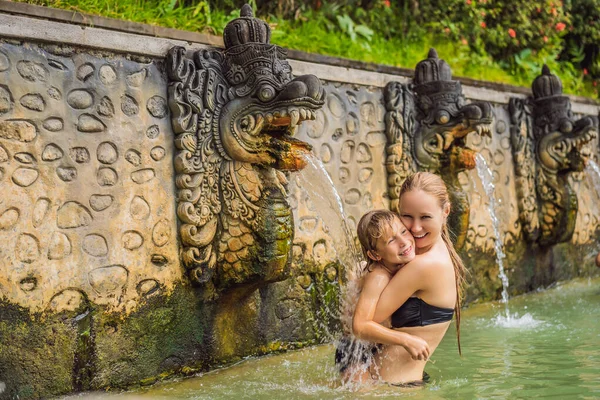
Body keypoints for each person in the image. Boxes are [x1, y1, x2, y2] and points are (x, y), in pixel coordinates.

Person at [353, 172, 467, 385]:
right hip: (396, 382)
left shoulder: (422, 265)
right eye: (407, 217)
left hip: (391, 388)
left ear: (446, 212)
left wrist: (373, 275)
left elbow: (362, 324)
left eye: (425, 217)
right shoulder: (428, 251)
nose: (415, 228)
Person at [336, 209, 430, 384]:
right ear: (375, 255)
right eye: (391, 240)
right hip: (355, 351)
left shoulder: (402, 265)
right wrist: (407, 340)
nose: (403, 242)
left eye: (403, 231)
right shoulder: (379, 277)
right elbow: (360, 326)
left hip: (376, 345)